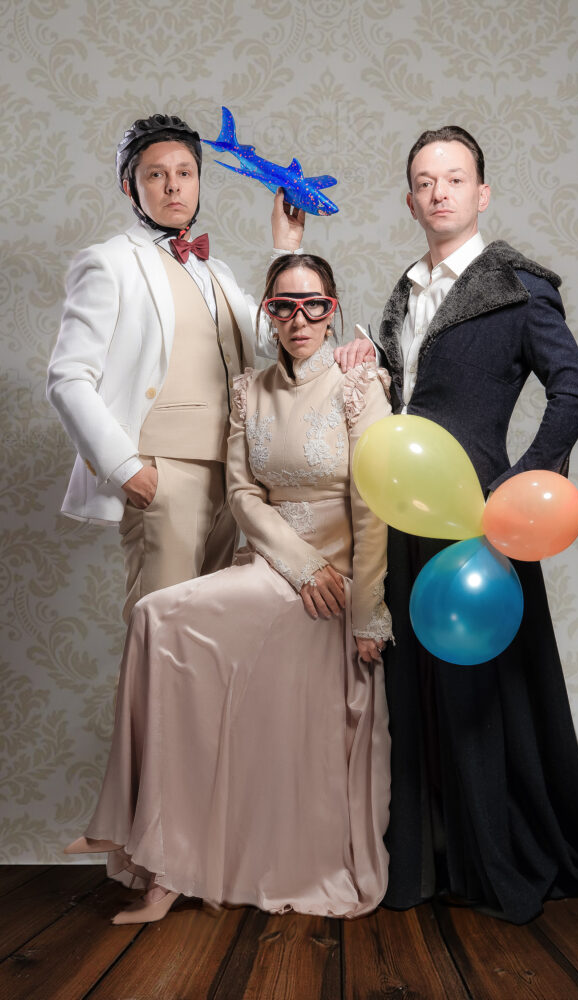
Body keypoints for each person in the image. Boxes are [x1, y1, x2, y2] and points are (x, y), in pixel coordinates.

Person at [337, 126, 578, 923]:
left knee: (480, 692)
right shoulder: (403, 292)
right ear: (410, 200)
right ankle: (425, 864)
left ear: (481, 193)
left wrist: (517, 488)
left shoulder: (517, 286)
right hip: (404, 514)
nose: (439, 192)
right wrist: (371, 367)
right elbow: (410, 399)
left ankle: (496, 860)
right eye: (424, 181)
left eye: (454, 178)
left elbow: (574, 391)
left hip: (480, 524)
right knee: (413, 687)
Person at [63, 254, 394, 923]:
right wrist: (296, 564)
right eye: (282, 306)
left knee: (163, 620)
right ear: (266, 314)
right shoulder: (249, 390)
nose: (299, 319)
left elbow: (372, 506)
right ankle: (155, 854)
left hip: (336, 578)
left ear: (332, 308)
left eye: (314, 305)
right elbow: (243, 495)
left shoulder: (360, 386)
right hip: (274, 564)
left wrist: (367, 612)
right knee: (156, 618)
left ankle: (153, 846)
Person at [47, 113, 304, 622]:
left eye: (185, 172)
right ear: (130, 187)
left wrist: (288, 250)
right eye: (156, 174)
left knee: (208, 635)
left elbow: (276, 336)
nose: (173, 186)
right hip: (164, 475)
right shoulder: (109, 263)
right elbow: (67, 378)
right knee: (162, 631)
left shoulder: (216, 271)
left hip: (233, 477)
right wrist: (129, 470)